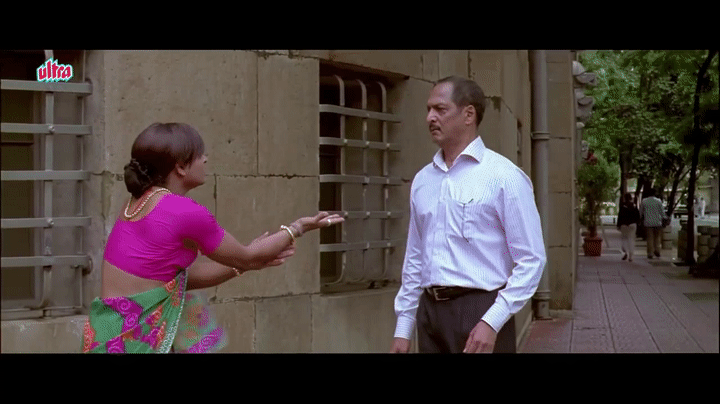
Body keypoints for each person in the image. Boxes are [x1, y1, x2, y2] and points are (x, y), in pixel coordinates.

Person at [82, 123, 343, 353]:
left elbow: (176, 279)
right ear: (180, 167)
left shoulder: (137, 203)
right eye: (199, 155)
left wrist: (243, 265)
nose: (205, 159)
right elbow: (248, 255)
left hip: (107, 338)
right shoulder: (183, 212)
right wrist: (297, 228)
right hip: (138, 345)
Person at [390, 76, 546, 354]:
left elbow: (531, 259)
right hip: (430, 313)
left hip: (481, 309)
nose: (430, 117)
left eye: (440, 109)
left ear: (468, 115)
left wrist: (492, 320)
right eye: (428, 109)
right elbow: (415, 256)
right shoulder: (423, 180)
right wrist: (404, 327)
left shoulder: (504, 176)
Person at [639, 188, 668, 260]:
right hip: (657, 222)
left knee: (650, 238)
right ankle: (657, 250)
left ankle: (650, 253)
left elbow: (641, 212)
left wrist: (640, 218)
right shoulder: (658, 201)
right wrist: (665, 218)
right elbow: (662, 212)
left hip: (648, 223)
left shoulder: (644, 201)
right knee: (657, 238)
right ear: (655, 193)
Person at [616, 193, 640, 262]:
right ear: (631, 198)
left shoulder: (623, 207)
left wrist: (618, 225)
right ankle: (631, 256)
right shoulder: (634, 206)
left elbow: (620, 217)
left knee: (624, 239)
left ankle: (625, 252)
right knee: (631, 240)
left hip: (624, 225)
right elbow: (637, 216)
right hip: (632, 225)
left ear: (625, 198)